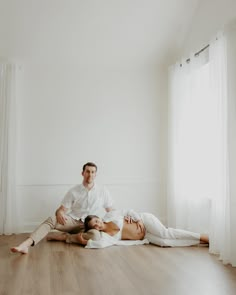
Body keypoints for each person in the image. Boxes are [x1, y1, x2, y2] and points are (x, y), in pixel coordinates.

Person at [11, 162, 113, 254]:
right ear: (82, 173)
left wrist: (127, 216)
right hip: (73, 222)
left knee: (96, 236)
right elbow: (61, 210)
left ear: (96, 174)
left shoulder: (103, 191)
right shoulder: (74, 191)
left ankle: (65, 237)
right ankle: (25, 245)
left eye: (93, 172)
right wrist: (59, 213)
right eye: (87, 171)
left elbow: (111, 211)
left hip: (90, 226)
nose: (90, 174)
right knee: (52, 219)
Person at [46, 209, 209, 248]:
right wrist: (80, 240)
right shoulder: (106, 237)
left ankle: (202, 236)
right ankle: (196, 242)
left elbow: (129, 210)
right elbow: (100, 245)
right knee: (165, 243)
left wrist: (136, 218)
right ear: (92, 228)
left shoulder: (111, 216)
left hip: (145, 222)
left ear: (99, 218)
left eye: (96, 220)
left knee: (166, 232)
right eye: (94, 225)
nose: (97, 224)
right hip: (146, 237)